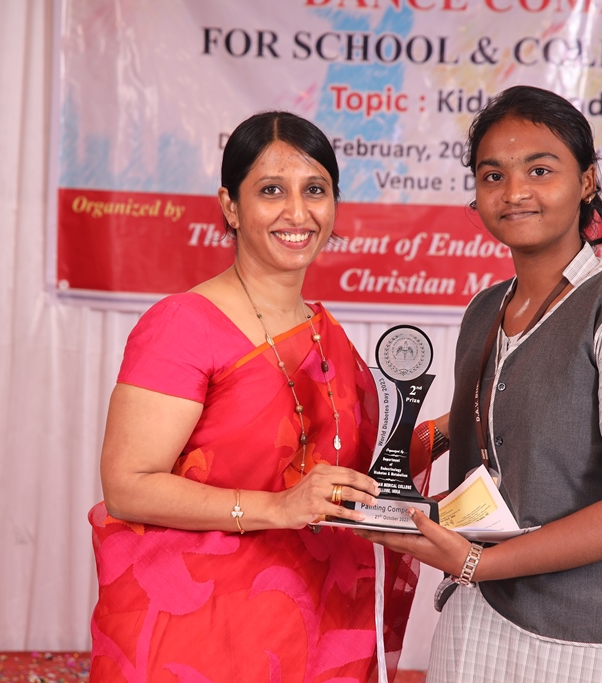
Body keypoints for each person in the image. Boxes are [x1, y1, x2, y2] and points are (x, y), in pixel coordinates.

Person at [357, 85, 602, 683]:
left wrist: (476, 562)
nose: (514, 192)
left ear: (586, 181)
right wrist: (405, 446)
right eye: (493, 175)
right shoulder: (486, 309)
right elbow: (504, 415)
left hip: (591, 640)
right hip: (480, 619)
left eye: (540, 170)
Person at [88, 111, 422, 682]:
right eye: (271, 190)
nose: (297, 212)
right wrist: (277, 507)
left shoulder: (323, 331)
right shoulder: (183, 324)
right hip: (202, 630)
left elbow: (353, 470)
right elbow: (127, 486)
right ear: (230, 206)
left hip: (315, 626)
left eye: (315, 190)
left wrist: (459, 428)